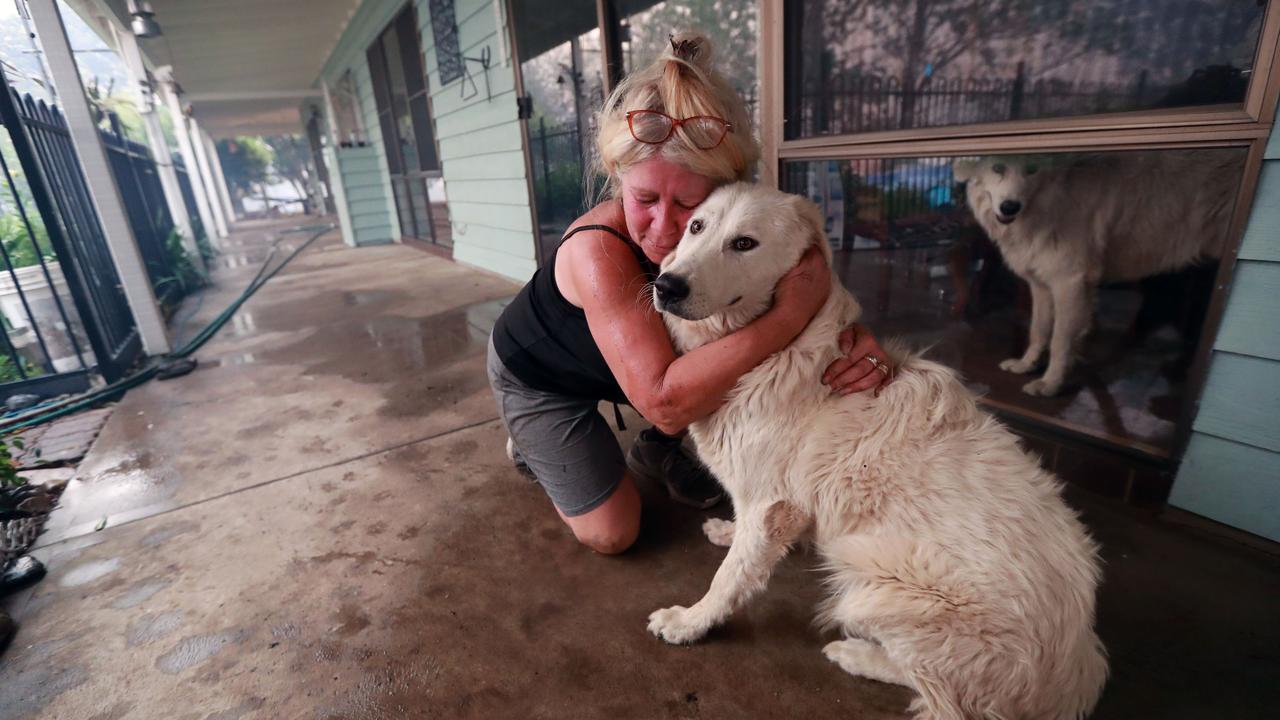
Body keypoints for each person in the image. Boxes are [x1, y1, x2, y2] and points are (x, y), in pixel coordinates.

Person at [487, 32, 892, 555]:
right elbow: (666, 403)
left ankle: (655, 453)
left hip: (643, 372)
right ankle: (532, 444)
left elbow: (808, 315)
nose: (664, 227)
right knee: (613, 534)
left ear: (724, 193)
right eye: (645, 198)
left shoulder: (749, 228)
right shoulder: (598, 252)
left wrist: (856, 348)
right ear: (617, 179)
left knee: (703, 360)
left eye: (690, 204)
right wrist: (793, 312)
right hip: (541, 377)